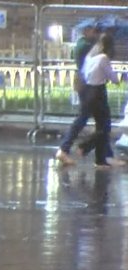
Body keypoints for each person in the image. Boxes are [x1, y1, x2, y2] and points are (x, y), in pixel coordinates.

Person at [55, 23, 119, 166]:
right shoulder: (94, 52)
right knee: (99, 124)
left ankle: (100, 157)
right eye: (94, 31)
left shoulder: (90, 53)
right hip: (96, 90)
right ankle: (81, 148)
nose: (95, 34)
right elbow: (113, 78)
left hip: (86, 87)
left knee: (95, 122)